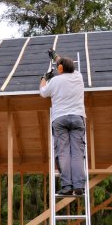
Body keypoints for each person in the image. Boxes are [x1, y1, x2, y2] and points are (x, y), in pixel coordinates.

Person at [39, 55, 86, 196]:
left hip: (60, 119)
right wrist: (57, 57)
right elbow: (65, 64)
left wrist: (44, 79)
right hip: (77, 118)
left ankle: (67, 187)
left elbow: (43, 93)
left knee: (63, 153)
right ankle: (79, 187)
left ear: (60, 68)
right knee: (77, 153)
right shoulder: (78, 76)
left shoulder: (54, 81)